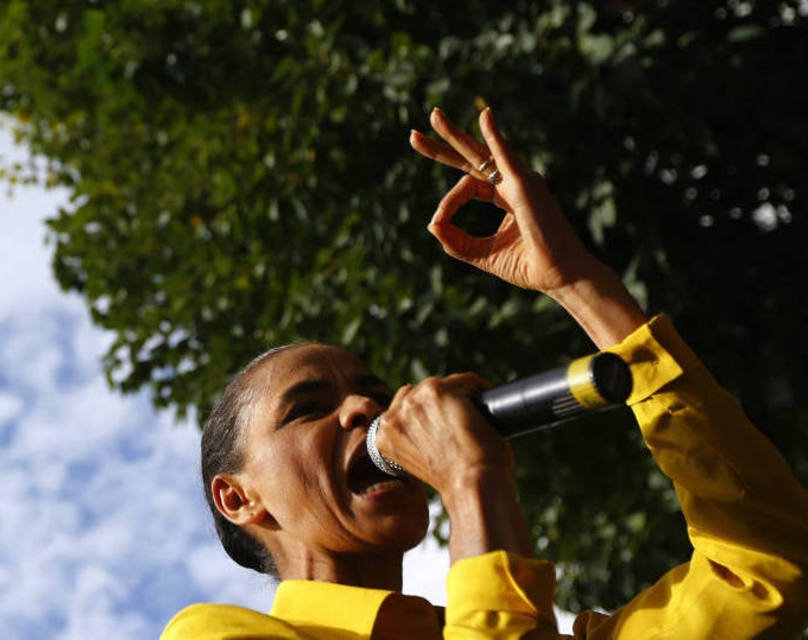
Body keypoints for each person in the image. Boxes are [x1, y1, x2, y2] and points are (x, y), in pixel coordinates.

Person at [161, 106, 808, 639]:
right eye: (307, 407)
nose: (365, 410)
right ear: (238, 498)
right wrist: (472, 482)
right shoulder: (211, 634)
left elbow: (766, 569)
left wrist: (581, 284)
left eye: (375, 396)